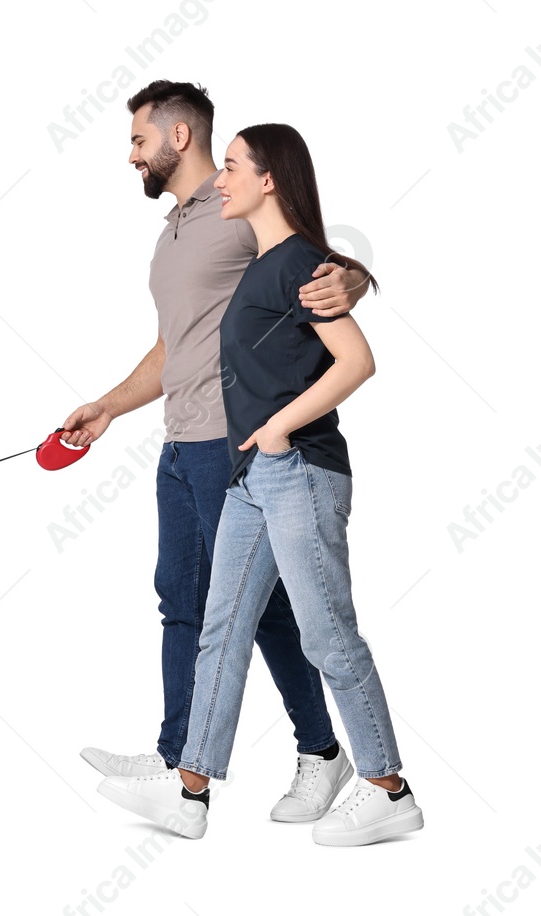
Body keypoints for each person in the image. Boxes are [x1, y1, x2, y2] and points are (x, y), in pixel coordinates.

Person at [97, 123, 422, 846]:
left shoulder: (299, 262)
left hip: (298, 470)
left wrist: (279, 428)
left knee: (325, 633)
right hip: (252, 473)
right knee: (221, 630)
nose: (222, 178)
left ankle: (388, 788)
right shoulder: (261, 266)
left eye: (235, 167)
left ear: (269, 178)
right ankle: (189, 793)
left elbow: (355, 361)